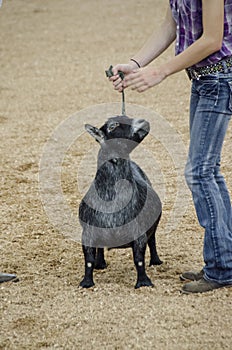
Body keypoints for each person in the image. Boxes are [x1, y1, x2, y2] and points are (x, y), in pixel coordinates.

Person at [109, 0, 232, 293]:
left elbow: (212, 40)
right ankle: (224, 259)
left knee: (200, 172)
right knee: (208, 171)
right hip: (204, 80)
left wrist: (160, 72)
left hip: (220, 78)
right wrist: (137, 63)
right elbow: (170, 25)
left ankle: (222, 268)